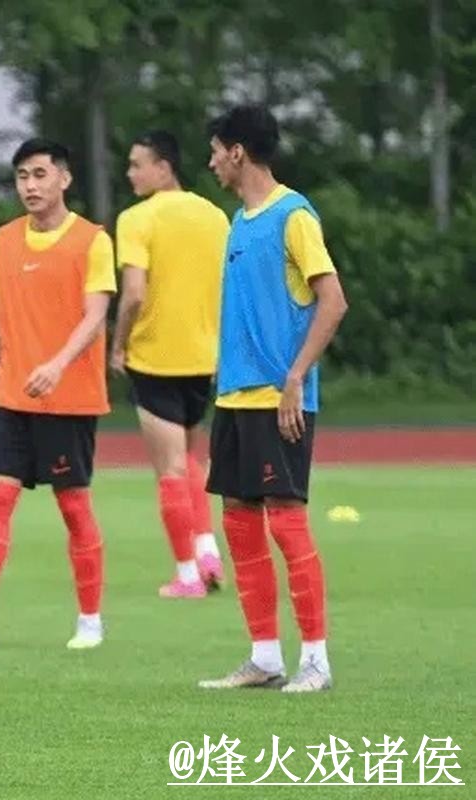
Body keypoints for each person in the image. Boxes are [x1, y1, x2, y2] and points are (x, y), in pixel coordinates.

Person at [0, 139, 114, 650]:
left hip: (70, 398)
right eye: (22, 176)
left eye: (40, 174)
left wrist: (57, 365)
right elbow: (1, 319)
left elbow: (96, 315)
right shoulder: (3, 240)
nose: (30, 186)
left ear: (64, 178)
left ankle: (90, 621)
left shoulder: (92, 241)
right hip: (12, 396)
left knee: (74, 507)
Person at [197, 104, 348, 693]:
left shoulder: (293, 215)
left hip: (278, 399)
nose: (212, 162)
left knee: (286, 521)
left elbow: (333, 301)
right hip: (235, 400)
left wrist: (295, 378)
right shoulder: (239, 220)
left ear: (238, 151)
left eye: (216, 151)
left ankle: (316, 661)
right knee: (239, 522)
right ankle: (265, 656)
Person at [111, 130, 230, 599]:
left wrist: (118, 345)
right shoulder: (215, 216)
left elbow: (134, 293)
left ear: (163, 168)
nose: (130, 173)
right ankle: (207, 551)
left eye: (137, 164)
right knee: (189, 459)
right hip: (203, 356)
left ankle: (187, 575)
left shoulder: (137, 218)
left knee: (170, 469)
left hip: (156, 356)